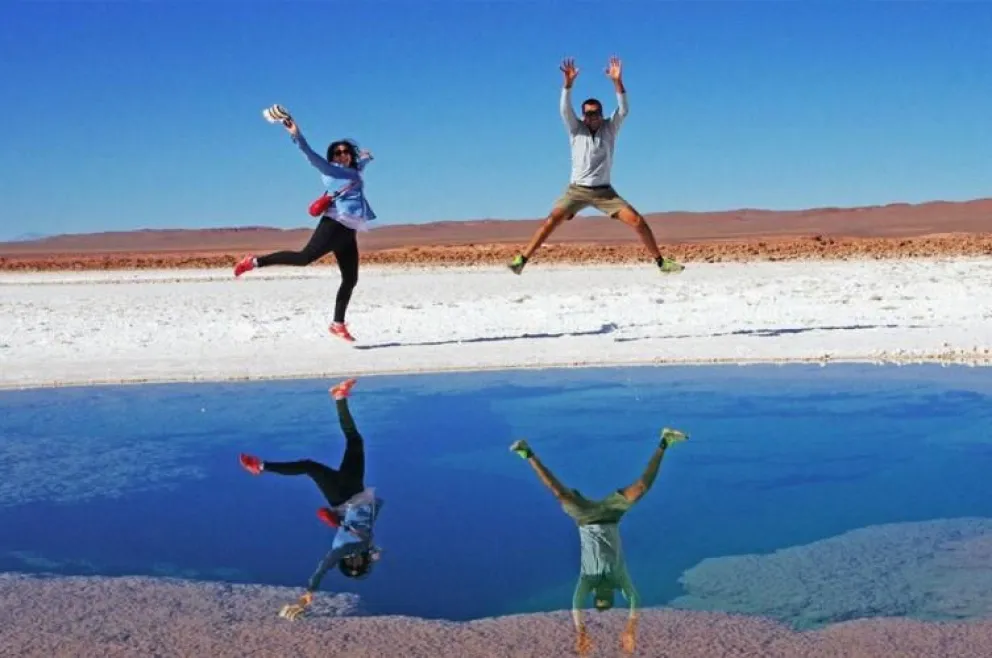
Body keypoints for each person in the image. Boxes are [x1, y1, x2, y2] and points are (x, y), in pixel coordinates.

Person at [509, 427, 689, 656]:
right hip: (612, 516)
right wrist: (631, 629)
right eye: (607, 598)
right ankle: (665, 441)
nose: (602, 594)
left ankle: (527, 453)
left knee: (558, 492)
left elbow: (575, 606)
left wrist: (581, 633)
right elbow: (634, 599)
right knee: (642, 487)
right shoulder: (620, 578)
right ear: (612, 594)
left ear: (595, 595)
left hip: (584, 519)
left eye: (599, 599)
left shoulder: (587, 580)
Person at [509, 57, 684, 276]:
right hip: (577, 190)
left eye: (597, 112)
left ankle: (661, 263)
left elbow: (624, 110)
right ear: (584, 115)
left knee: (638, 221)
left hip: (604, 192)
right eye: (589, 113)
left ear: (602, 113)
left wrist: (617, 82)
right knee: (551, 220)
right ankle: (522, 260)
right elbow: (564, 110)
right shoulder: (576, 129)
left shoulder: (610, 128)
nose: (593, 117)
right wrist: (568, 84)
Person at [238, 378, 384, 620]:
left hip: (343, 496)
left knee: (310, 467)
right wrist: (338, 521)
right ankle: (339, 397)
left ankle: (260, 466)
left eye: (353, 564)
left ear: (347, 562)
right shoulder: (366, 546)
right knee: (355, 441)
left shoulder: (344, 549)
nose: (357, 560)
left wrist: (310, 593)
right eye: (361, 563)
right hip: (356, 491)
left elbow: (323, 568)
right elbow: (366, 532)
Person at [234, 107, 377, 343]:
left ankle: (337, 323)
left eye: (345, 152)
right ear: (332, 157)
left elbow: (360, 163)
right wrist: (296, 134)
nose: (342, 155)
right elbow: (309, 153)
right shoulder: (331, 171)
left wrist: (366, 157)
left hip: (348, 232)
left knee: (350, 279)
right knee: (304, 258)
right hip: (334, 225)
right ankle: (255, 262)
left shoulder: (355, 170)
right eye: (337, 152)